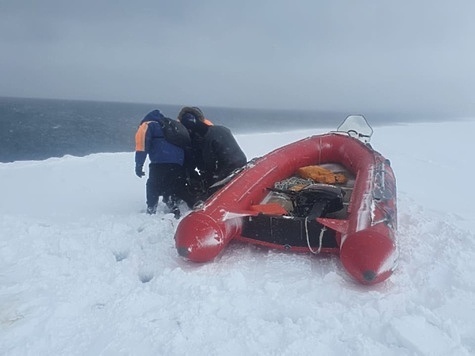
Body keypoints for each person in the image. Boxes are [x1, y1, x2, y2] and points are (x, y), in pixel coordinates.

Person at [134, 109, 195, 218]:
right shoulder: (171, 126)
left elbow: (142, 146)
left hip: (160, 161)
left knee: (152, 184)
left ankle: (151, 208)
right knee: (170, 184)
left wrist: (139, 165)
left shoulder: (148, 125)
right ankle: (173, 204)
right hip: (178, 163)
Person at [177, 106, 247, 199]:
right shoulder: (221, 129)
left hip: (228, 170)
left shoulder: (204, 135)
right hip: (241, 162)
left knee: (208, 194)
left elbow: (209, 162)